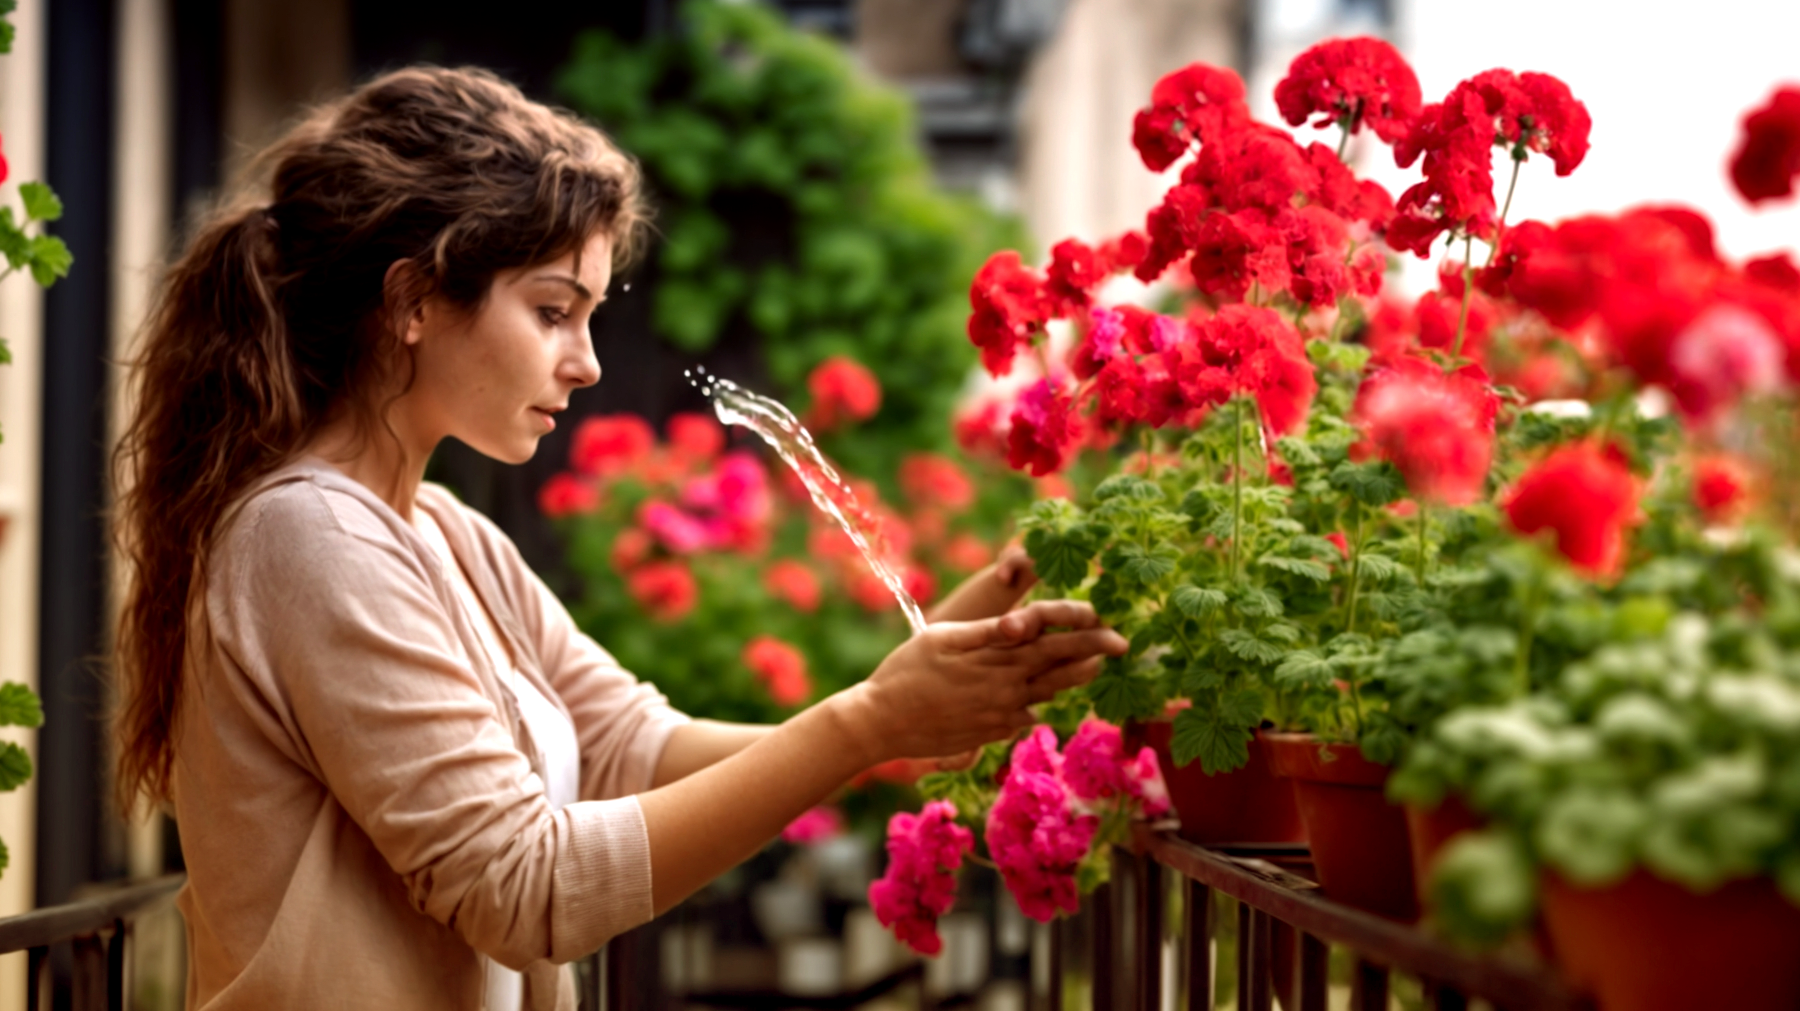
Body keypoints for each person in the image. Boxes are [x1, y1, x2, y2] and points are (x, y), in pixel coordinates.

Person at [109, 67, 1125, 1011]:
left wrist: (900, 709)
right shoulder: (312, 535)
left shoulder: (445, 536)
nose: (586, 362)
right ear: (413, 300)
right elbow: (528, 892)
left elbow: (631, 752)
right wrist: (862, 725)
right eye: (553, 311)